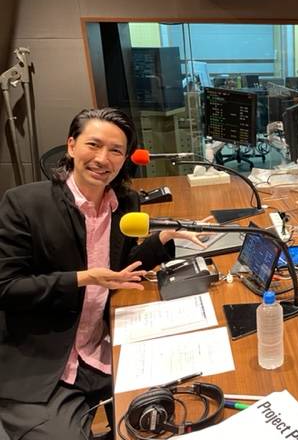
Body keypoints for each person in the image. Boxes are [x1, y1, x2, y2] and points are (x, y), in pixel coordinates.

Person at [0, 108, 206, 439]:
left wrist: (164, 237)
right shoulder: (24, 204)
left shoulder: (125, 202)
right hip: (44, 364)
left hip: (101, 349)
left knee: (175, 415)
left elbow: (122, 269)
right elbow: (7, 288)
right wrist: (83, 278)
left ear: (125, 159)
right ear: (71, 146)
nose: (102, 159)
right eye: (93, 145)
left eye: (115, 151)